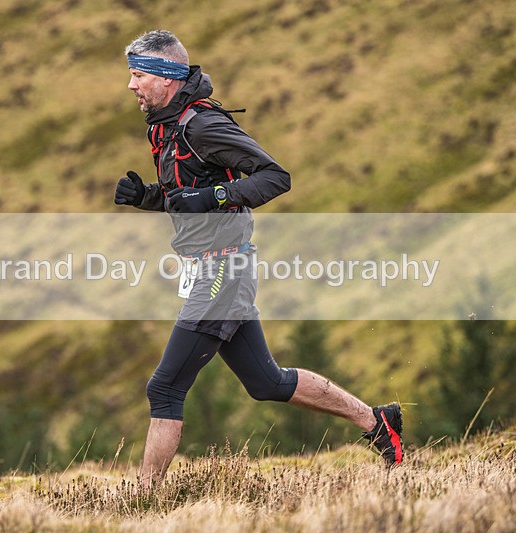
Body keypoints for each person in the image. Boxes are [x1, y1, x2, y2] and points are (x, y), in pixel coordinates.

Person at [114, 30, 402, 488]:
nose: (130, 85)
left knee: (164, 388)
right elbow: (186, 198)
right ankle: (376, 423)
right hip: (212, 267)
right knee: (266, 383)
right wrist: (147, 197)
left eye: (138, 74)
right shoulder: (164, 126)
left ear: (167, 78)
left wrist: (215, 195)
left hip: (224, 268)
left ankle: (143, 498)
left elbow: (275, 176)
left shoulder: (202, 125)